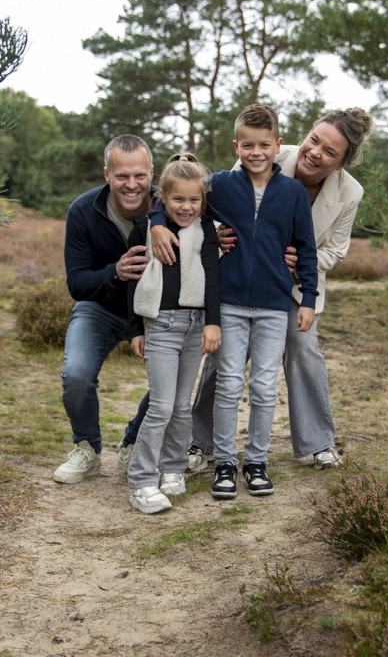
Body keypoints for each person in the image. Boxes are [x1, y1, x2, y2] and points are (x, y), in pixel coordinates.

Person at [125, 108, 374, 472]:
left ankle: (317, 442)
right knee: (222, 356)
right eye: (314, 140)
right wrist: (164, 221)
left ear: (341, 163)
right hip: (240, 280)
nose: (315, 152)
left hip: (294, 284)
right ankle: (202, 440)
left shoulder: (350, 192)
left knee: (303, 349)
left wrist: (301, 259)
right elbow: (195, 197)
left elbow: (336, 248)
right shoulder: (266, 154)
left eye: (329, 151)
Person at [148, 104, 318, 500]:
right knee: (226, 384)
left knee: (261, 386)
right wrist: (157, 221)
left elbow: (306, 248)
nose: (256, 152)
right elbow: (174, 197)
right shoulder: (220, 185)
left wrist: (307, 297)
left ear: (278, 145)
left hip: (275, 304)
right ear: (235, 145)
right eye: (247, 145)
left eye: (264, 144)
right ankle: (225, 461)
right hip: (229, 303)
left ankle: (256, 460)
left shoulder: (292, 192)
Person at [53, 134, 155, 484]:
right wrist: (116, 272)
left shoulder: (170, 207)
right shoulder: (83, 210)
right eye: (121, 176)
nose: (131, 184)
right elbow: (77, 283)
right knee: (76, 375)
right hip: (100, 308)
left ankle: (133, 443)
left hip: (155, 314)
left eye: (140, 175)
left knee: (170, 383)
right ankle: (87, 448)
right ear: (106, 173)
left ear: (152, 172)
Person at [125, 154, 221, 514]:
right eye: (178, 199)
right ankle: (141, 481)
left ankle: (173, 467)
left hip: (195, 325)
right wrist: (136, 328)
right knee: (162, 405)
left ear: (203, 200)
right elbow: (132, 280)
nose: (187, 207)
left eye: (194, 200)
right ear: (162, 196)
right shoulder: (147, 229)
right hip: (160, 325)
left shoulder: (206, 230)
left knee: (182, 405)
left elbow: (212, 276)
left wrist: (213, 322)